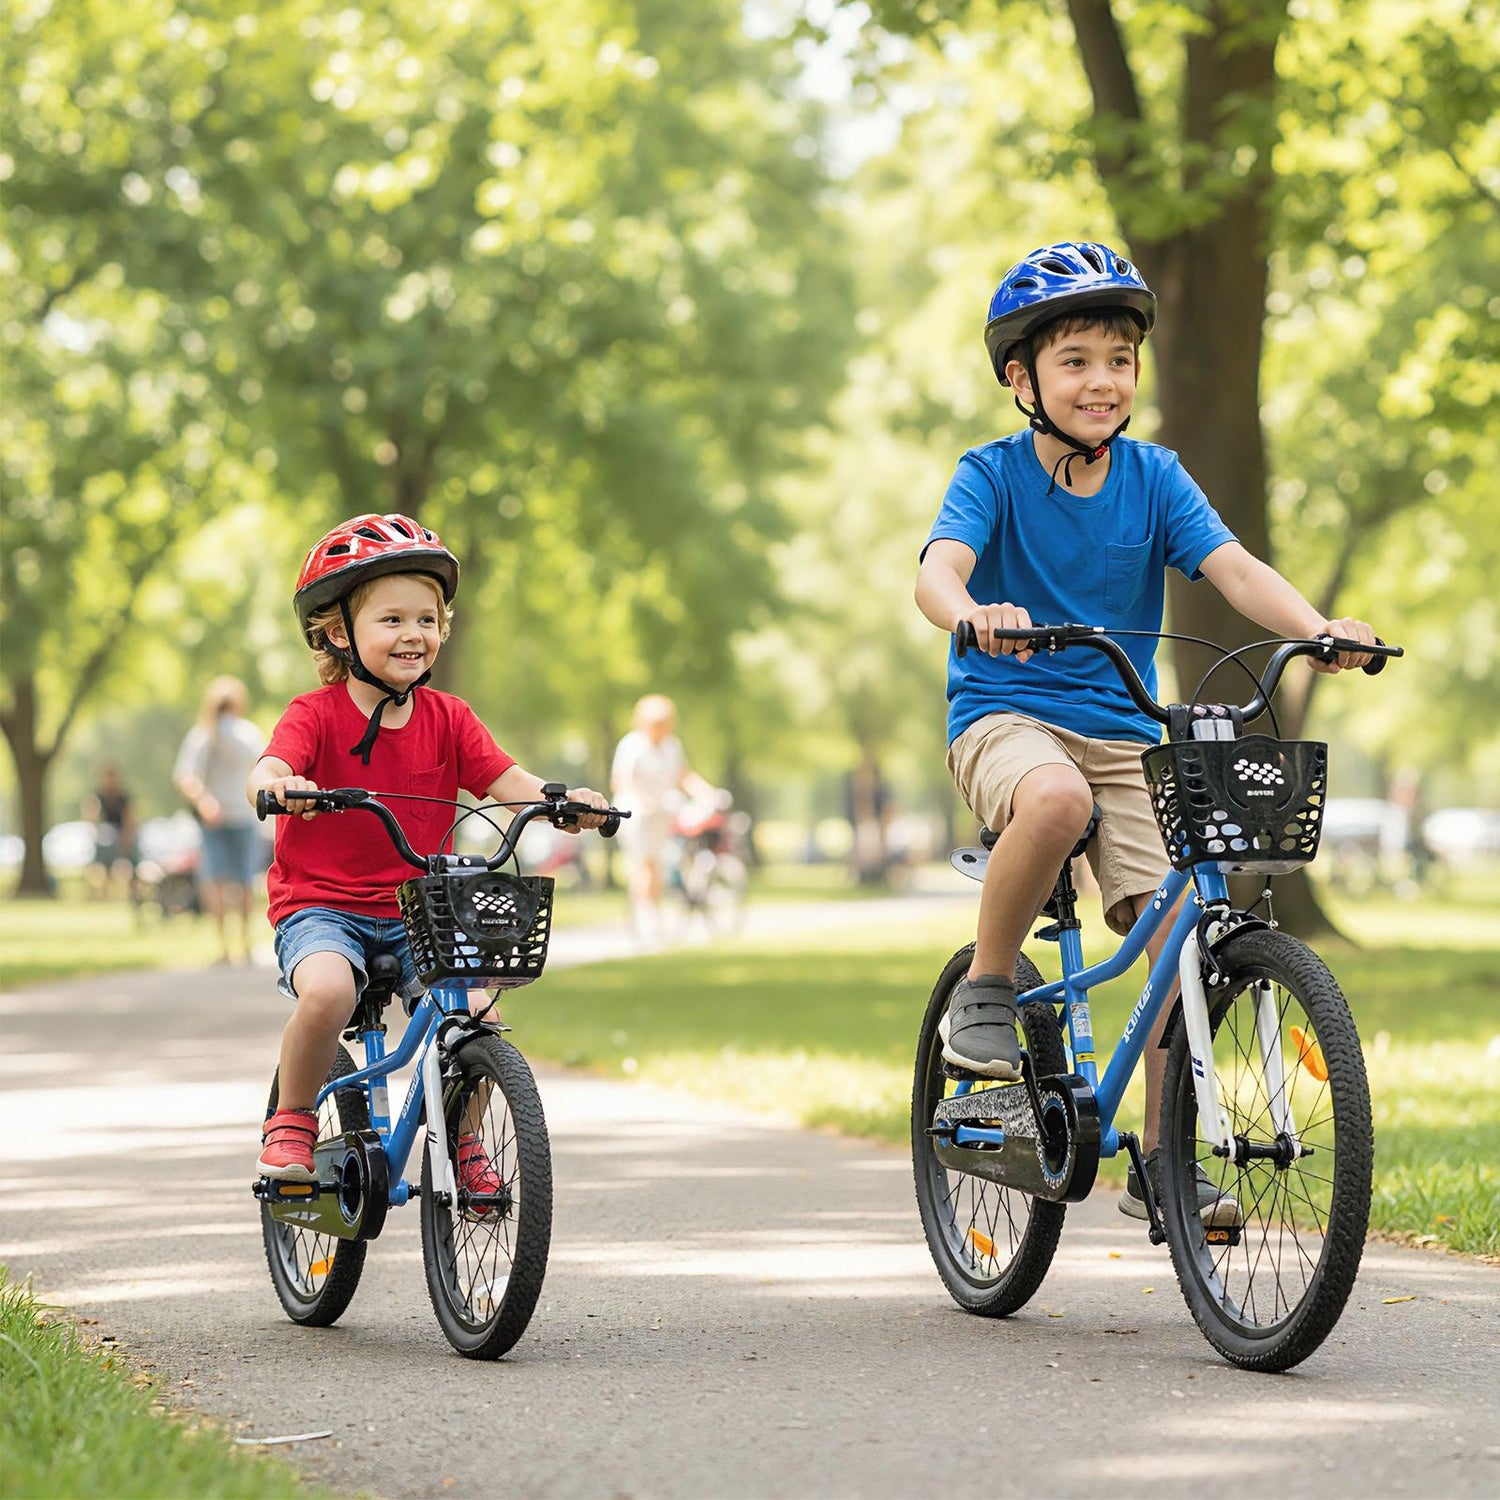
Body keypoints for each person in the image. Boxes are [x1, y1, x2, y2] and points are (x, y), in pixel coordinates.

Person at [914, 240, 1378, 1227]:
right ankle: (987, 993)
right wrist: (971, 607)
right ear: (1021, 378)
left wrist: (1319, 630)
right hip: (1007, 713)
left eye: (1119, 359)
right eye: (1075, 359)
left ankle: (1162, 1158)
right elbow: (936, 570)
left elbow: (1237, 570)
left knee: (1181, 937)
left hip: (1126, 729)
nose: (1102, 380)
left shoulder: (1156, 478)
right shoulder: (990, 475)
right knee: (1054, 798)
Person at [246, 513, 608, 1182]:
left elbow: (509, 784)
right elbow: (267, 770)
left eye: (427, 619)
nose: (414, 633)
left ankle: (465, 1142)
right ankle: (292, 1121)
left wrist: (563, 803)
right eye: (392, 620)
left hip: (420, 908)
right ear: (337, 632)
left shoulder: (450, 718)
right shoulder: (314, 714)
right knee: (325, 993)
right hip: (322, 907)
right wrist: (279, 786)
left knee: (475, 1009)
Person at [173, 677, 266, 964]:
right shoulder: (237, 733)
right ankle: (241, 945)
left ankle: (231, 947)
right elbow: (263, 767)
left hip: (222, 817)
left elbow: (186, 776)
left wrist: (204, 802)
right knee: (238, 881)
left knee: (221, 881)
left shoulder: (205, 734)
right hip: (236, 815)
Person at [611, 694, 715, 941]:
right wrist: (643, 799)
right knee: (644, 863)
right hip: (636, 814)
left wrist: (706, 792)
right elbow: (621, 780)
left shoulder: (672, 746)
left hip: (661, 813)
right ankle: (645, 917)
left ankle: (652, 911)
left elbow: (683, 776)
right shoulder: (632, 745)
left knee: (656, 865)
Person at [83, 763, 137, 899]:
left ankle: (132, 893)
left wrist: (125, 839)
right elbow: (91, 817)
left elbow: (129, 820)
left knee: (131, 861)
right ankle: (101, 894)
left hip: (121, 835)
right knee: (102, 852)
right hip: (104, 836)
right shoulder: (98, 797)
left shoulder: (123, 797)